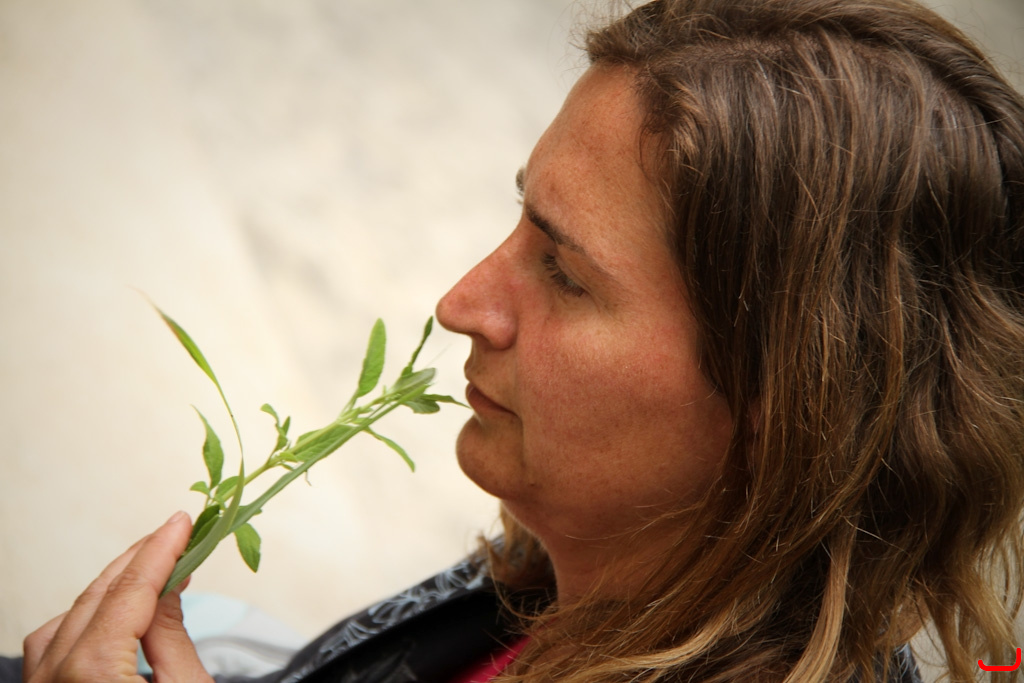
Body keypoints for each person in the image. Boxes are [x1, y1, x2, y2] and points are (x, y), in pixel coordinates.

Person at [9, 0, 1024, 680]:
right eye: (520, 222)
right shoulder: (554, 589)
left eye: (565, 273)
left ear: (786, 407)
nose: (460, 303)